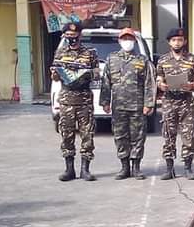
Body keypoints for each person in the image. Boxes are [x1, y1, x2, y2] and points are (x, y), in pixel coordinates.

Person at [100, 28, 155, 180]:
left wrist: (149, 103)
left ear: (134, 41)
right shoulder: (111, 59)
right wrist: (105, 102)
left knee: (138, 136)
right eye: (124, 38)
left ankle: (136, 167)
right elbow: (106, 82)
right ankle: (124, 167)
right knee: (120, 136)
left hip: (137, 106)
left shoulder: (142, 60)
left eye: (130, 38)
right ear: (119, 41)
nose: (127, 41)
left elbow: (149, 83)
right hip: (118, 106)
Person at [52, 22, 99, 181]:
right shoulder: (60, 52)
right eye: (68, 36)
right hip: (66, 99)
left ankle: (85, 170)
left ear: (80, 35)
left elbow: (97, 73)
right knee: (67, 135)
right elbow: (55, 74)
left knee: (87, 135)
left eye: (74, 35)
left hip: (84, 99)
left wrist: (86, 74)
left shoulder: (90, 53)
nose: (71, 38)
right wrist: (55, 74)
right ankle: (69, 169)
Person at [155, 27, 194, 180]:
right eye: (174, 40)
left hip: (186, 102)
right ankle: (169, 169)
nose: (177, 43)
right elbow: (159, 78)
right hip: (169, 101)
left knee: (188, 136)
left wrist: (192, 85)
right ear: (169, 42)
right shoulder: (162, 60)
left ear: (185, 42)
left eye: (180, 40)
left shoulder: (192, 59)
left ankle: (188, 168)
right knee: (168, 135)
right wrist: (161, 85)